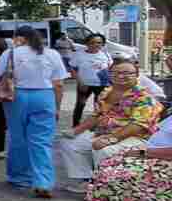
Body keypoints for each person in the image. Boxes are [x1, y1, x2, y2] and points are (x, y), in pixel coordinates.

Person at [59, 59, 162, 193]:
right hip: (104, 133)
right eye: (115, 72)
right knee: (70, 142)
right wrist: (75, 131)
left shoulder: (144, 97)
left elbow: (138, 125)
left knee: (104, 150)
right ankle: (88, 180)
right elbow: (97, 116)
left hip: (135, 138)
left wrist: (111, 139)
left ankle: (106, 186)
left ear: (137, 75)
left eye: (127, 73)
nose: (120, 76)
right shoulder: (106, 92)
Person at [0, 25, 67, 199]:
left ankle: (19, 177)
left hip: (17, 96)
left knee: (18, 137)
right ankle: (43, 181)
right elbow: (59, 84)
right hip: (44, 96)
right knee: (42, 141)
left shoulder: (10, 53)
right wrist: (57, 107)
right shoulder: (52, 54)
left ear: (20, 38)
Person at [82, 113, 172, 201]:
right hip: (154, 157)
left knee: (117, 176)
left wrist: (143, 153)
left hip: (163, 163)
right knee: (106, 166)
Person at [69, 35, 111, 127]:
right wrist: (80, 82)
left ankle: (97, 125)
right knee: (80, 104)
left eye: (99, 43)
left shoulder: (106, 54)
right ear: (87, 43)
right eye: (92, 42)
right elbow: (72, 70)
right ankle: (75, 126)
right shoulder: (79, 54)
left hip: (102, 85)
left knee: (99, 106)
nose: (96, 45)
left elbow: (110, 68)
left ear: (102, 44)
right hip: (84, 85)